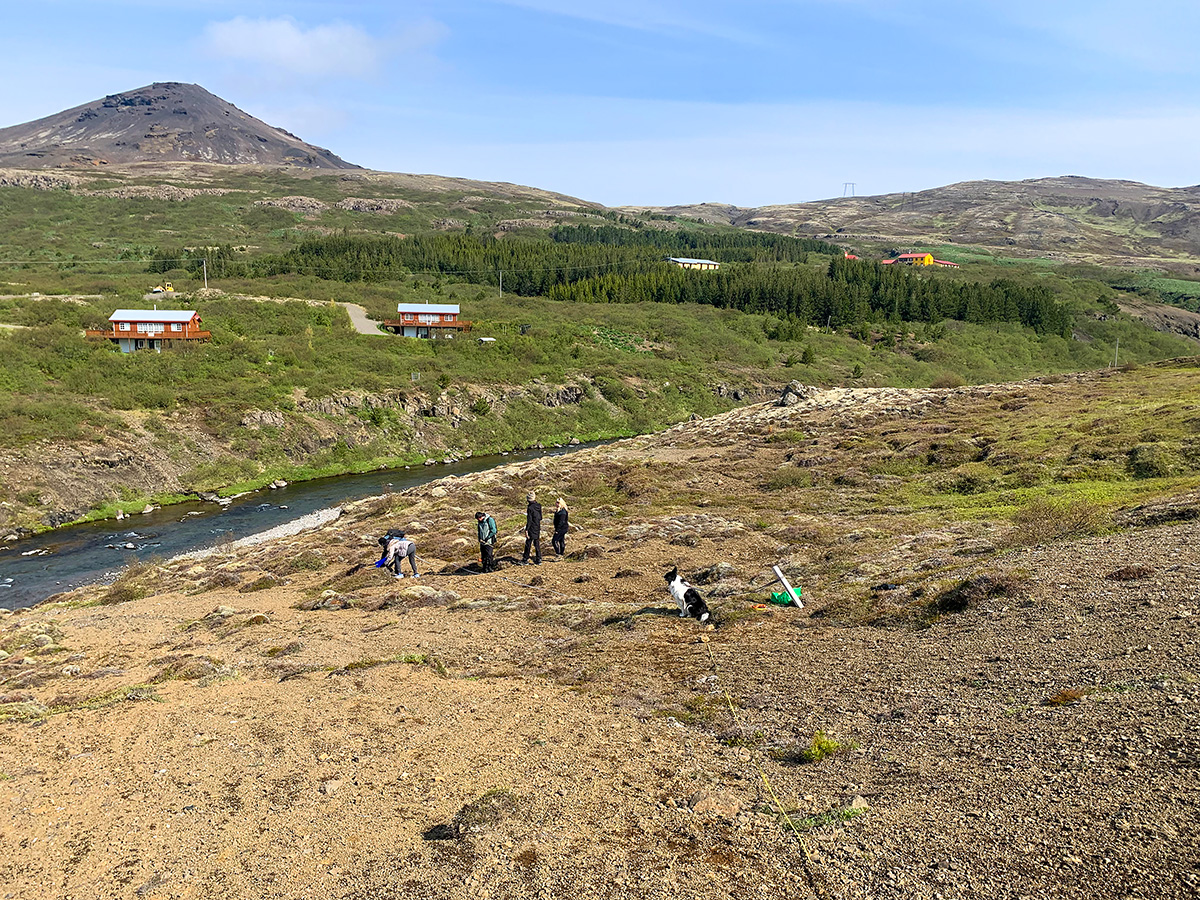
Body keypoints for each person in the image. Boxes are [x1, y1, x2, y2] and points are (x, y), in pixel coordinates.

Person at [521, 491, 542, 565]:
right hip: (537, 526)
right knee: (536, 543)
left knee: (528, 543)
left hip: (531, 528)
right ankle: (539, 559)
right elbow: (540, 517)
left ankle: (525, 559)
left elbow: (529, 520)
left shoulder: (530, 508)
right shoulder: (539, 506)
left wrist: (527, 529)